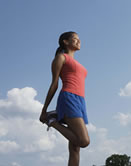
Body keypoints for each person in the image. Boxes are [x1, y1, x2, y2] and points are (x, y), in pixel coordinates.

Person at [39, 31, 90, 166]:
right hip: (69, 97)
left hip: (80, 101)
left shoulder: (76, 62)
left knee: (75, 148)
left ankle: (55, 115)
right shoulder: (61, 58)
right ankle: (53, 121)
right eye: (75, 39)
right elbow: (54, 84)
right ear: (65, 42)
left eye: (79, 39)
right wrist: (43, 111)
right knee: (84, 141)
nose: (79, 41)